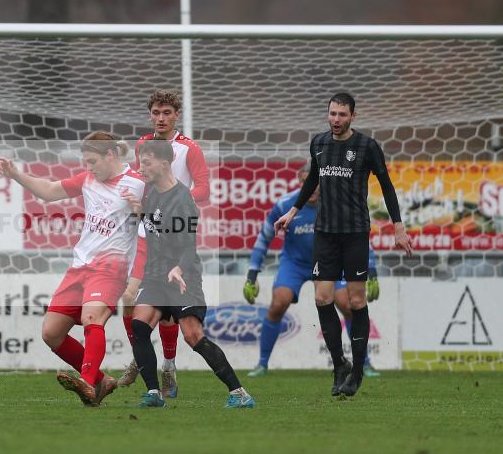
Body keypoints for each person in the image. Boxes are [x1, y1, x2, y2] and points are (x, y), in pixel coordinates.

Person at [274, 93, 412, 397]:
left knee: (356, 302)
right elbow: (312, 179)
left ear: (353, 116)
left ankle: (358, 371)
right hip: (325, 233)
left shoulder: (366, 147)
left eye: (342, 115)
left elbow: (387, 185)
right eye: (332, 114)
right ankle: (339, 365)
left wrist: (398, 227)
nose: (336, 120)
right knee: (322, 299)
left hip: (355, 234)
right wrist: (293, 211)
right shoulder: (319, 143)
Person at [0, 131, 145, 406]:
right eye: (85, 162)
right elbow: (50, 191)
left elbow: (158, 217)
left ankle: (87, 384)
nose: (88, 168)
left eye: (92, 161)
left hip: (111, 268)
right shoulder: (88, 179)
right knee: (51, 333)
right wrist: (16, 174)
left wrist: (143, 210)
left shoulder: (136, 183)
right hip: (80, 267)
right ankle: (101, 380)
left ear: (110, 155)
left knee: (92, 319)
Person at [125, 139, 254, 408]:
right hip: (156, 273)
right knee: (139, 325)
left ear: (164, 163)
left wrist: (178, 268)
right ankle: (153, 393)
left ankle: (239, 393)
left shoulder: (183, 200)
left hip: (183, 275)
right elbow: (154, 226)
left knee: (193, 336)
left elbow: (188, 246)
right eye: (140, 162)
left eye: (146, 162)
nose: (141, 167)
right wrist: (139, 211)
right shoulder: (151, 191)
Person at [244, 162, 382, 377]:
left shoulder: (335, 204)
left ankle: (364, 363)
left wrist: (371, 271)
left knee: (347, 305)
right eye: (308, 182)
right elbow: (264, 238)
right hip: (295, 265)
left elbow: (360, 237)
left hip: (330, 263)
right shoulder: (285, 205)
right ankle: (262, 364)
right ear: (300, 183)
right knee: (278, 303)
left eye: (317, 182)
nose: (314, 188)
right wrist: (252, 274)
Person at [118, 89, 211, 398]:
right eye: (156, 113)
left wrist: (174, 200)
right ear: (150, 115)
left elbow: (204, 190)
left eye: (166, 113)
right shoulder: (143, 145)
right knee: (130, 301)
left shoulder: (189, 149)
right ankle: (141, 358)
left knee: (170, 310)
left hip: (171, 237)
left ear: (176, 115)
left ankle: (168, 365)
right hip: (144, 233)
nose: (161, 118)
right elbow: (142, 180)